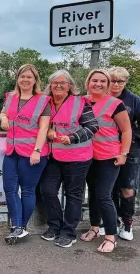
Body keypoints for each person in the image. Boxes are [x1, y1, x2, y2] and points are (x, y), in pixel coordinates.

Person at [39, 70, 98, 248]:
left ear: (70, 86)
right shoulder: (45, 103)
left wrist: (73, 137)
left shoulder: (80, 103)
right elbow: (38, 124)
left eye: (62, 83)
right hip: (54, 157)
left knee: (73, 195)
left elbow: (93, 126)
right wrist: (48, 130)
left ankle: (68, 232)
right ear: (49, 85)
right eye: (54, 83)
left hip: (77, 157)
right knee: (48, 190)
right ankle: (55, 226)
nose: (58, 86)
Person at [79, 69, 131, 253]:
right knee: (92, 194)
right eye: (95, 80)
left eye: (103, 81)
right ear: (88, 83)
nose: (98, 84)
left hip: (109, 157)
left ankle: (111, 236)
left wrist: (123, 153)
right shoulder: (81, 101)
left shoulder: (115, 103)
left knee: (103, 195)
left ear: (107, 85)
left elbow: (126, 130)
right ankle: (94, 228)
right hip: (86, 156)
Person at [0, 64, 51, 245]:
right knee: (10, 189)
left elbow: (44, 127)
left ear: (35, 80)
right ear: (17, 79)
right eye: (22, 76)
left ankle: (20, 228)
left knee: (27, 190)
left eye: (29, 77)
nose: (25, 80)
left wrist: (37, 150)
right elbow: (4, 112)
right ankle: (17, 227)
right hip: (11, 151)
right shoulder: (11, 96)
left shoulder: (43, 100)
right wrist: (3, 118)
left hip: (32, 153)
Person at [108, 66, 140, 241]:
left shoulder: (134, 100)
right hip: (105, 148)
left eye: (120, 81)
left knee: (128, 188)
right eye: (113, 80)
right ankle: (112, 221)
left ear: (125, 82)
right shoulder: (102, 98)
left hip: (130, 149)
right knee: (109, 187)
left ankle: (127, 222)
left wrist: (132, 141)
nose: (116, 84)